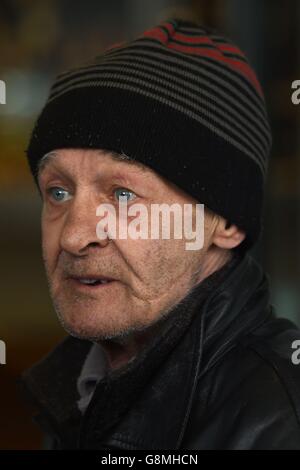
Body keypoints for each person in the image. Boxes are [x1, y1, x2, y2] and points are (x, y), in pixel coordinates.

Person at [21, 18, 300, 450]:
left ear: (225, 223)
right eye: (58, 191)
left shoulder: (278, 419)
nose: (74, 237)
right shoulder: (83, 386)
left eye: (124, 195)